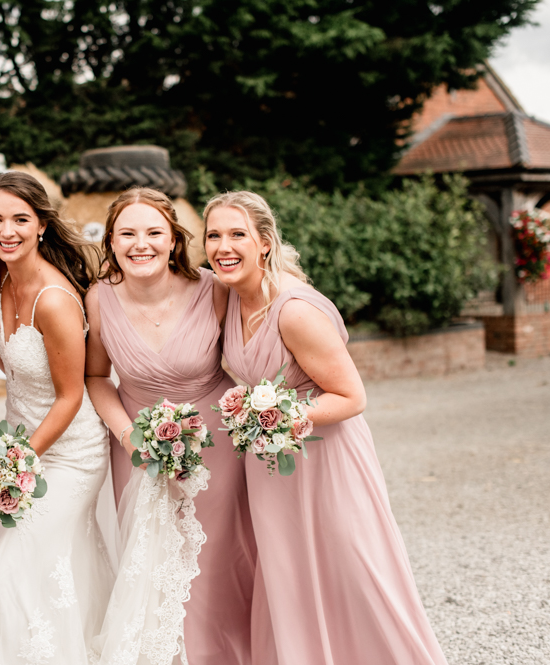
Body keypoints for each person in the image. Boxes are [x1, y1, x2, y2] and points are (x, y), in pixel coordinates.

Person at [206, 191, 448, 665]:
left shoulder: (294, 310)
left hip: (327, 457)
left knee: (353, 569)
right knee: (287, 573)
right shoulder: (230, 299)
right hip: (270, 463)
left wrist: (271, 413)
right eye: (214, 236)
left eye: (237, 234)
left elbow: (352, 396)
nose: (223, 247)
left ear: (265, 243)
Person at [84, 187, 256, 664]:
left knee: (215, 564)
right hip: (136, 446)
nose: (141, 244)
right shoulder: (98, 298)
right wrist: (129, 438)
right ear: (111, 242)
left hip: (215, 445)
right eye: (127, 234)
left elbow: (254, 346)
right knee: (151, 567)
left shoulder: (214, 289)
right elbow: (96, 377)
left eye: (154, 232)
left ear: (174, 239)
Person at [0, 170, 113, 665]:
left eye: (20, 219)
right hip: (23, 449)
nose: (6, 231)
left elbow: (71, 396)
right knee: (43, 576)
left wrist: (15, 463)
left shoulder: (53, 300)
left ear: (42, 226)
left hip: (70, 455)